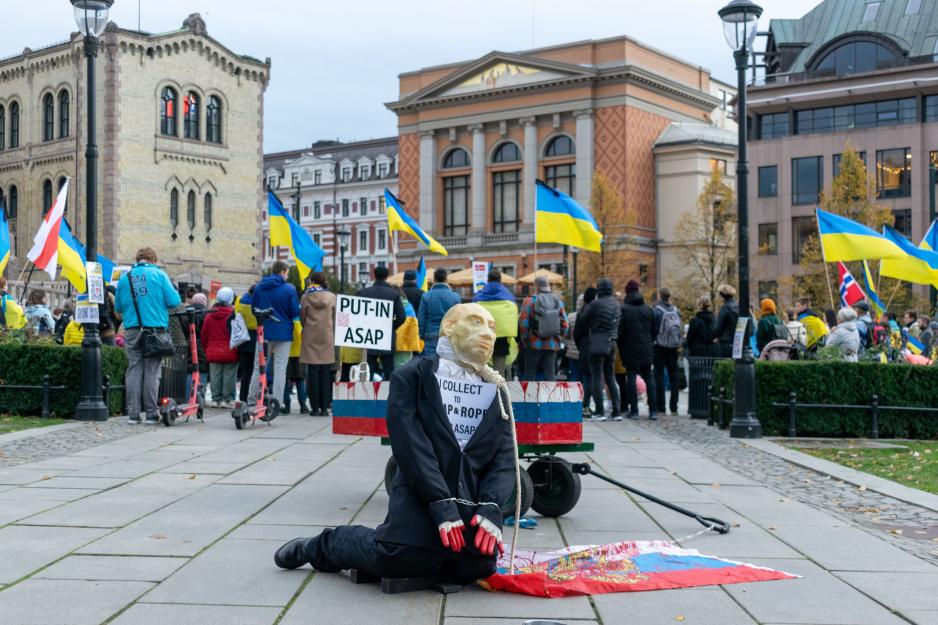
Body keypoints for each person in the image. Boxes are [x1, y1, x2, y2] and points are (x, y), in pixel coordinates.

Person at [273, 303, 514, 583]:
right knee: (398, 558)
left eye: (492, 327)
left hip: (470, 507)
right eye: (476, 322)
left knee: (478, 567)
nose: (487, 333)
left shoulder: (496, 391)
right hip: (421, 497)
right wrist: (440, 501)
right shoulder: (413, 376)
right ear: (449, 327)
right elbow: (411, 446)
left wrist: (491, 506)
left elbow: (504, 456)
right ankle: (324, 545)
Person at [116, 247, 182, 424]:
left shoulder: (124, 278)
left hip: (131, 329)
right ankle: (152, 414)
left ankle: (133, 414)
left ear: (138, 260)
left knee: (134, 369)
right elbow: (174, 301)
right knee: (152, 371)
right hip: (155, 330)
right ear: (153, 260)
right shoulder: (159, 275)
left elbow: (118, 308)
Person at [245, 261, 300, 415]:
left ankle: (251, 398)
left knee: (259, 366)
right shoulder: (289, 289)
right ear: (282, 272)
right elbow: (294, 311)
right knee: (280, 369)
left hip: (264, 332)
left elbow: (253, 306)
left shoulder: (259, 287)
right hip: (284, 333)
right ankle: (278, 401)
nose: (288, 276)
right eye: (287, 273)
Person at [575, 278, 621, 420]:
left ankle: (600, 411)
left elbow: (583, 319)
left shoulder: (595, 304)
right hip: (612, 342)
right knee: (610, 377)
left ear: (599, 289)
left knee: (596, 376)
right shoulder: (616, 304)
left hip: (597, 342)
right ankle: (617, 411)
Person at [358, 265, 406, 380]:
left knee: (368, 371)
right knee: (389, 370)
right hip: (386, 336)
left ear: (373, 275)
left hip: (368, 336)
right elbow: (402, 317)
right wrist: (390, 327)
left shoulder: (363, 293)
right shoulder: (393, 294)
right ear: (387, 276)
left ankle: (368, 396)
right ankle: (389, 396)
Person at [618, 280, 657, 420]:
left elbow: (620, 332)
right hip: (646, 347)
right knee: (649, 378)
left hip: (629, 348)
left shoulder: (623, 309)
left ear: (627, 292)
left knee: (631, 377)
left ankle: (634, 410)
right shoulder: (648, 309)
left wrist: (621, 347)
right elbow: (654, 330)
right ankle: (653, 411)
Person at [518, 276, 568, 381]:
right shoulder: (557, 302)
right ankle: (551, 397)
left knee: (529, 375)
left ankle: (529, 397)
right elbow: (565, 325)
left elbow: (523, 323)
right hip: (552, 344)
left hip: (533, 344)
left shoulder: (529, 301)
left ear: (536, 286)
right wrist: (559, 337)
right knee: (550, 375)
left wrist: (525, 339)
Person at [300, 272, 336, 417]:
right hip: (327, 336)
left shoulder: (306, 297)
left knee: (313, 372)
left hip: (311, 336)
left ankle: (314, 407)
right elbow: (335, 317)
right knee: (326, 372)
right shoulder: (332, 297)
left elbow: (302, 317)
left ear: (312, 281)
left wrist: (307, 326)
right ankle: (324, 407)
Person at [473, 270, 518, 378]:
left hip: (483, 339)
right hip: (501, 340)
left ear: (487, 280)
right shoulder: (509, 297)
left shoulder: (478, 297)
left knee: (483, 370)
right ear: (500, 280)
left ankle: (485, 392)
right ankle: (499, 393)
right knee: (499, 371)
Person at [200, 287, 238, 408]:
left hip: (212, 350)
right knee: (229, 375)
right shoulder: (233, 314)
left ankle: (216, 399)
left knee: (215, 375)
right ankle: (228, 399)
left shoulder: (210, 315)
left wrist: (207, 348)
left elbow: (204, 334)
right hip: (230, 350)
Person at [652, 287, 682, 416]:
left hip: (659, 346)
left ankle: (661, 406)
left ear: (660, 295)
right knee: (674, 376)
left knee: (659, 376)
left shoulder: (657, 311)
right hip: (673, 347)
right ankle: (674, 407)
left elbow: (653, 329)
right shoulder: (676, 310)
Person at [418, 268, 461, 356]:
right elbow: (459, 319)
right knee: (447, 364)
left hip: (430, 335)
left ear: (434, 279)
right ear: (446, 279)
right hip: (449, 335)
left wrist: (421, 336)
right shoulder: (456, 297)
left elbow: (421, 320)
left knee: (431, 365)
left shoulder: (426, 296)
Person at [572, 287, 597, 416]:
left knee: (586, 377)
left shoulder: (582, 311)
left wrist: (580, 344)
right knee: (595, 376)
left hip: (584, 345)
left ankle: (585, 404)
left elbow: (576, 333)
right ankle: (592, 404)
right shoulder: (597, 310)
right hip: (597, 344)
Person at [235, 286, 258, 404]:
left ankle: (243, 398)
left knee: (246, 372)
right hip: (255, 338)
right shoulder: (256, 305)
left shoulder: (239, 303)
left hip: (242, 339)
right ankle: (253, 397)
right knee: (256, 370)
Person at [713, 284, 738, 358]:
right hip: (738, 342)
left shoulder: (725, 308)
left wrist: (713, 336)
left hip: (726, 343)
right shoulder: (738, 306)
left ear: (722, 296)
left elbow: (718, 328)